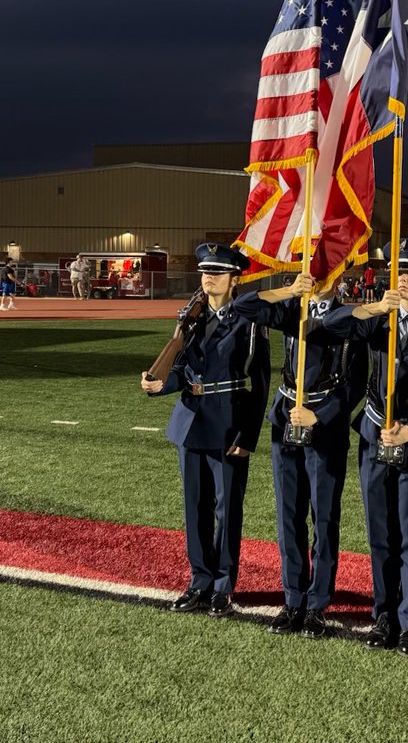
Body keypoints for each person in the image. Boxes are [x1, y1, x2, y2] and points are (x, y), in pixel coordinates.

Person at [321, 239, 408, 657]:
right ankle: (383, 615)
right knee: (379, 533)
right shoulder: (375, 322)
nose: (403, 279)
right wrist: (377, 307)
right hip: (372, 436)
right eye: (397, 272)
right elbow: (330, 325)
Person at [233, 272, 366, 638]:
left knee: (324, 519)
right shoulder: (292, 308)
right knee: (288, 515)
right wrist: (289, 291)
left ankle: (318, 605)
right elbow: (243, 306)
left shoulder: (352, 318)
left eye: (328, 267)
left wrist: (319, 416)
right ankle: (293, 599)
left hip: (325, 426)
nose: (319, 272)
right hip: (286, 420)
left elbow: (357, 382)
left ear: (340, 276)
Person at [141, 243, 270, 617]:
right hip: (190, 420)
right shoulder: (191, 318)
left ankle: (223, 585)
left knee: (227, 508)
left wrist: (247, 437)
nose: (208, 276)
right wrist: (159, 384)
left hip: (229, 421)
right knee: (195, 507)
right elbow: (180, 368)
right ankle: (199, 580)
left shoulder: (250, 321)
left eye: (217, 271)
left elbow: (259, 383)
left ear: (235, 280)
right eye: (205, 271)